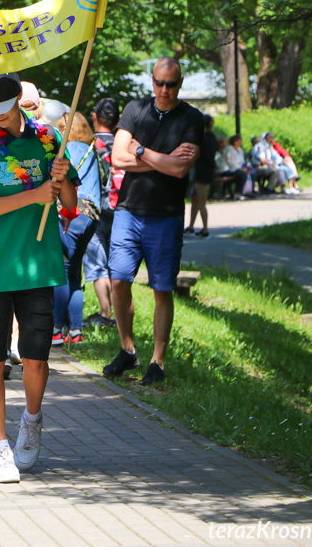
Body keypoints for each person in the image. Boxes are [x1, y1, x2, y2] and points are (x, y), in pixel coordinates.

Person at [0, 72, 78, 483]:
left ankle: (32, 418)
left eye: (0, 110)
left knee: (36, 358)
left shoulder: (47, 141)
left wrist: (59, 181)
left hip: (38, 267)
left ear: (16, 102)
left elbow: (71, 203)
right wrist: (32, 194)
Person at [102, 57, 203, 385]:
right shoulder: (135, 109)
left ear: (181, 82)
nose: (164, 90)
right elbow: (118, 158)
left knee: (162, 289)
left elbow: (179, 169)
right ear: (152, 79)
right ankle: (127, 349)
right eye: (159, 83)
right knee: (118, 281)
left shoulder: (191, 118)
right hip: (128, 211)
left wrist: (141, 152)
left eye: (170, 84)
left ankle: (157, 362)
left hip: (166, 216)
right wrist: (163, 159)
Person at [53, 111, 100, 346]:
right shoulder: (92, 150)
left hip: (72, 213)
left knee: (62, 270)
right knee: (74, 271)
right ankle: (76, 331)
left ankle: (55, 329)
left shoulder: (67, 150)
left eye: (61, 127)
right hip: (92, 214)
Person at [83, 98, 121, 327]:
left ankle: (105, 313)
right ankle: (119, 310)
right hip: (119, 209)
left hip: (96, 209)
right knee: (116, 261)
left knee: (97, 262)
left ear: (95, 117)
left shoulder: (89, 145)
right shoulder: (123, 143)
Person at [185, 114, 216, 237]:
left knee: (201, 202)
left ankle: (205, 229)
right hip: (205, 171)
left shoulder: (202, 138)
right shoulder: (211, 137)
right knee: (195, 199)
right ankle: (191, 226)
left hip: (202, 172)